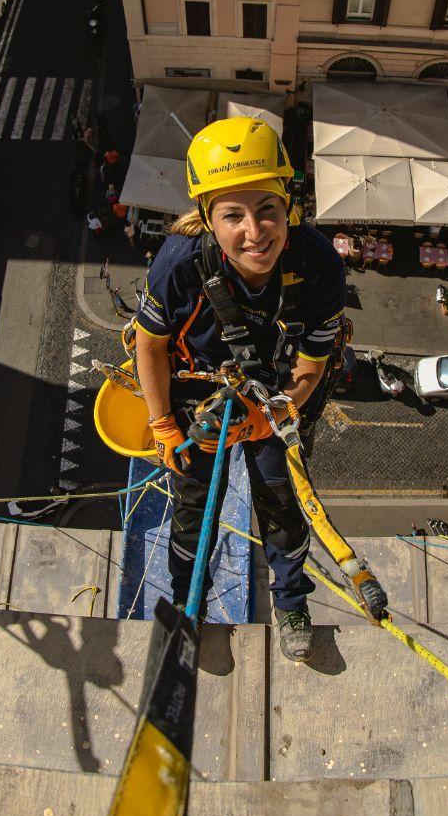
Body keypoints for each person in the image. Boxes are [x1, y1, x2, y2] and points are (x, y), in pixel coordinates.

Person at [133, 118, 347, 662]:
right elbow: (150, 345)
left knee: (283, 499)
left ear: (288, 208)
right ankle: (187, 601)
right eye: (233, 215)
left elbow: (313, 363)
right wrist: (162, 422)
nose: (255, 231)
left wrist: (273, 413)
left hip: (278, 396)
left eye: (267, 209)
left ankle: (292, 600)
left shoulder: (317, 263)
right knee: (192, 504)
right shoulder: (180, 264)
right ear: (208, 219)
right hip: (199, 398)